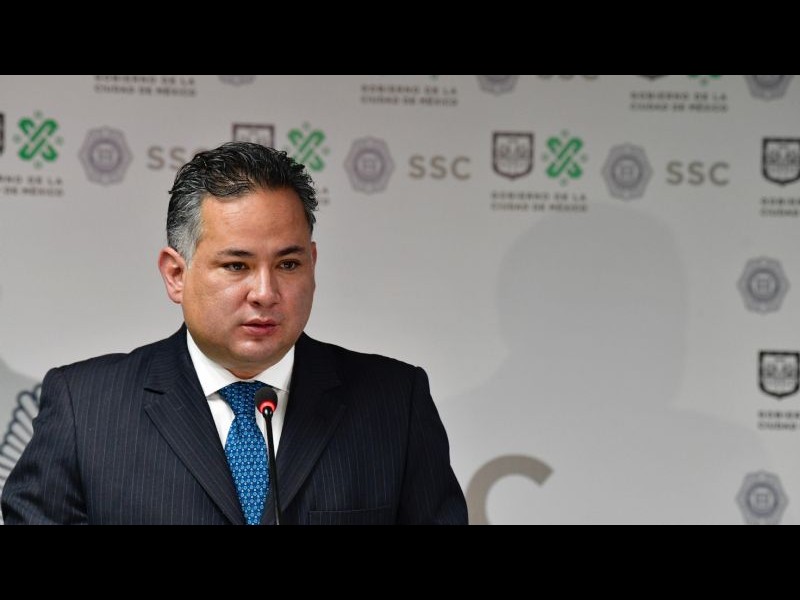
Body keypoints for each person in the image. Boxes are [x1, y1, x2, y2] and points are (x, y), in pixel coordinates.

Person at [1, 142, 467, 525]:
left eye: (288, 264)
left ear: (313, 264)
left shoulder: (395, 403)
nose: (265, 293)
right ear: (176, 274)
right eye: (236, 266)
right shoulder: (85, 408)